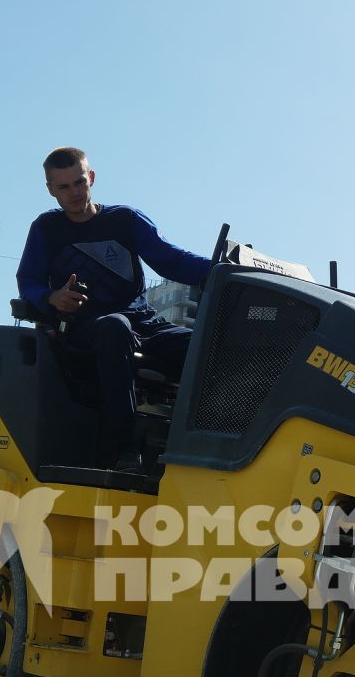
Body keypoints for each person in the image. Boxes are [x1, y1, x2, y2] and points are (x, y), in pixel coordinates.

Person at [15, 147, 212, 473]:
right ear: (50, 189)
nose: (74, 192)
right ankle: (125, 449)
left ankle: (203, 444)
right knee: (115, 327)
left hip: (143, 324)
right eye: (63, 187)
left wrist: (220, 269)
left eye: (79, 182)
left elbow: (172, 260)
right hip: (86, 330)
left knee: (205, 345)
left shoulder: (125, 220)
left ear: (90, 178)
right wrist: (52, 299)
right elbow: (29, 282)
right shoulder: (46, 229)